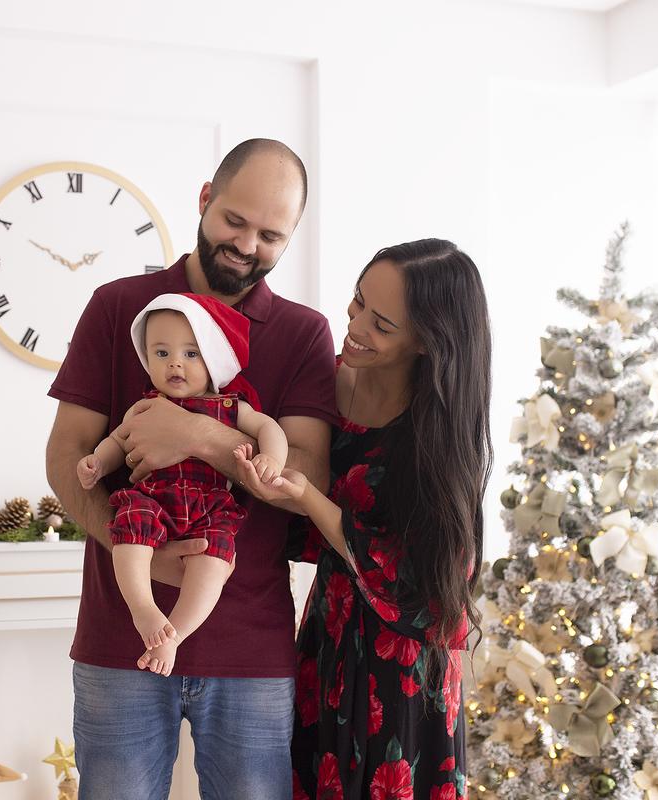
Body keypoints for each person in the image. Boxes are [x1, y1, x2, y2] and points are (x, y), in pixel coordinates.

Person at [46, 138, 339, 799]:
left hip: (252, 647)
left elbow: (310, 474)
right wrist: (142, 557)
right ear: (205, 200)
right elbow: (67, 457)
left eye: (270, 234)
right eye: (235, 221)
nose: (246, 245)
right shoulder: (119, 306)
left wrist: (201, 435)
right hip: (121, 636)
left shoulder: (301, 334)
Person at [235, 238, 493, 799]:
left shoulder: (440, 431)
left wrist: (308, 496)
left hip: (401, 672)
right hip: (325, 642)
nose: (354, 324)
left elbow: (424, 585)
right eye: (357, 302)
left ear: (427, 342)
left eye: (381, 324)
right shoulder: (321, 384)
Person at [77, 292, 289, 677]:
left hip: (210, 506)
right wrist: (97, 462)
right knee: (129, 530)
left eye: (191, 354)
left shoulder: (228, 406)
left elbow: (268, 427)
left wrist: (271, 458)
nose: (175, 362)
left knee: (215, 557)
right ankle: (143, 608)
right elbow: (118, 439)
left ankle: (175, 634)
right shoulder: (145, 406)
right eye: (161, 353)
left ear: (214, 359)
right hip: (153, 498)